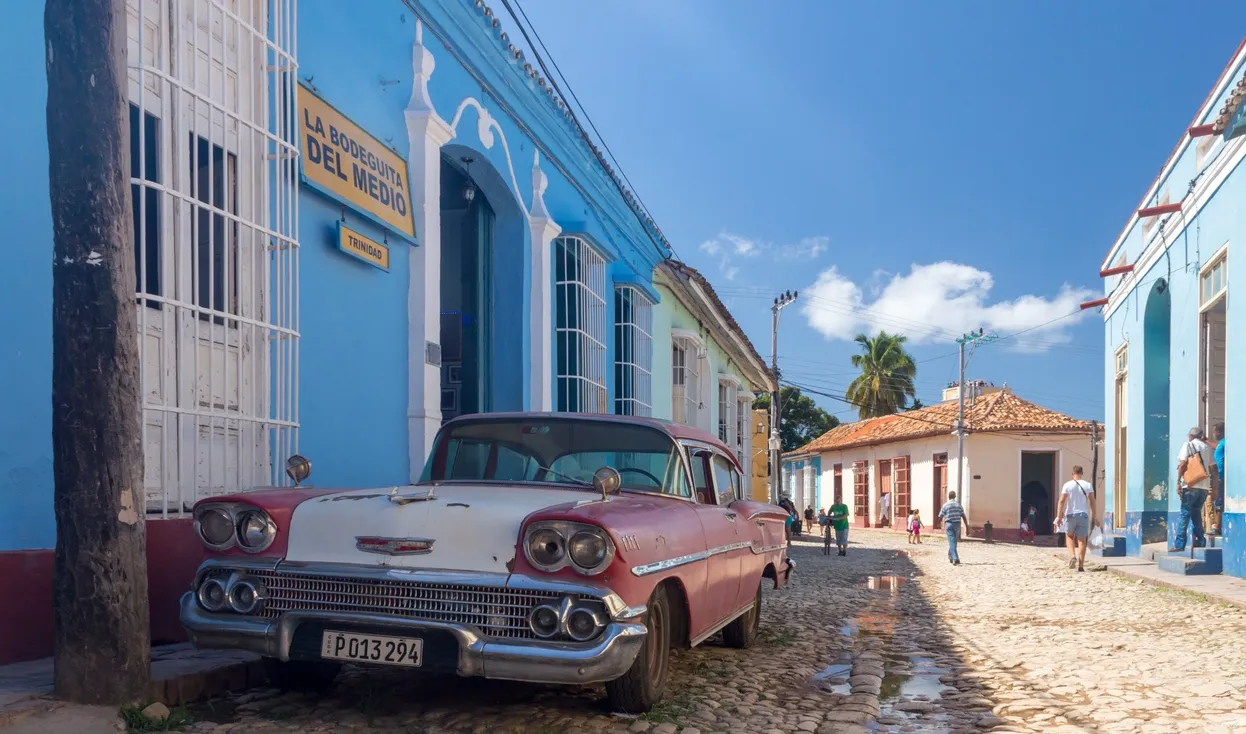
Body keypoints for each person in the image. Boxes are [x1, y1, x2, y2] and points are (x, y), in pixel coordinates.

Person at [1175, 427, 1217, 552]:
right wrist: (1215, 488)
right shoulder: (1207, 447)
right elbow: (1214, 469)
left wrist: (1178, 481)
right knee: (1196, 513)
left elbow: (1182, 464)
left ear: (1191, 436)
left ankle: (1179, 544)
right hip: (1204, 487)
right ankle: (1200, 541)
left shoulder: (1188, 445)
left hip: (1190, 485)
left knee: (1184, 514)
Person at [1055, 465, 1096, 572]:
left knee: (1069, 536)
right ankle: (1081, 565)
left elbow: (1061, 501)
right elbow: (1092, 501)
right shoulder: (1088, 485)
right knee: (1082, 541)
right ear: (1081, 473)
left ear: (1073, 474)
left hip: (1070, 514)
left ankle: (1073, 555)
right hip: (1083, 514)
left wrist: (1059, 516)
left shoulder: (1067, 485)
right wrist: (1095, 516)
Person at [938, 491, 968, 565]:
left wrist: (938, 523)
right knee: (954, 541)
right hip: (957, 524)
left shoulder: (945, 505)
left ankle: (952, 556)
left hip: (949, 524)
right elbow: (963, 516)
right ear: (955, 496)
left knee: (952, 541)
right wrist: (967, 526)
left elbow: (940, 515)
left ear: (949, 496)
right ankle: (955, 558)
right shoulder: (958, 505)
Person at [1212, 422, 1225, 535]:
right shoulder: (1222, 443)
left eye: (1214, 431)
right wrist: (1206, 441)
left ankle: (1218, 527)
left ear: (1220, 432)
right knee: (1217, 500)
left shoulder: (1226, 442)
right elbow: (1217, 447)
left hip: (1221, 475)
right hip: (1218, 476)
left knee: (1219, 502)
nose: (1213, 434)